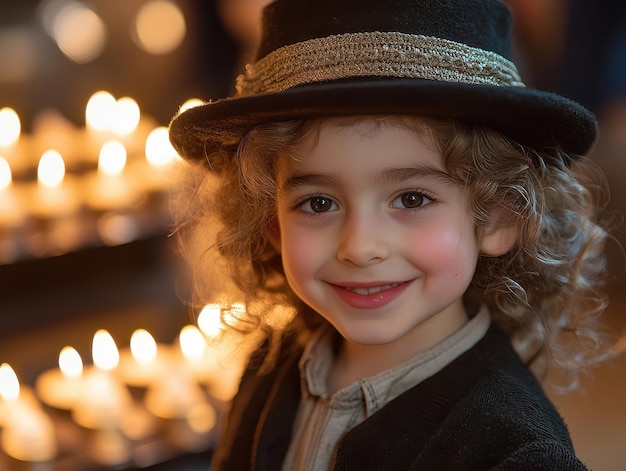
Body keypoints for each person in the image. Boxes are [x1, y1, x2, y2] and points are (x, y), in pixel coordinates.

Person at [168, 0, 617, 469]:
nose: (360, 248)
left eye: (412, 199)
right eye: (318, 203)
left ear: (498, 218)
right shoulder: (271, 361)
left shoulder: (515, 450)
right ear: (272, 223)